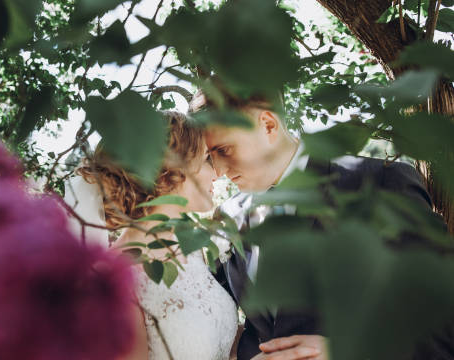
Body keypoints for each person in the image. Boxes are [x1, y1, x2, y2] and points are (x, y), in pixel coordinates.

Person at [190, 91, 446, 360]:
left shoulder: (379, 183)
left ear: (268, 124)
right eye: (210, 157)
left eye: (224, 150)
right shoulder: (227, 217)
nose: (218, 170)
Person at [64, 111, 239, 360]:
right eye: (207, 158)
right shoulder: (114, 277)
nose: (218, 172)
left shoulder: (194, 251)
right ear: (168, 169)